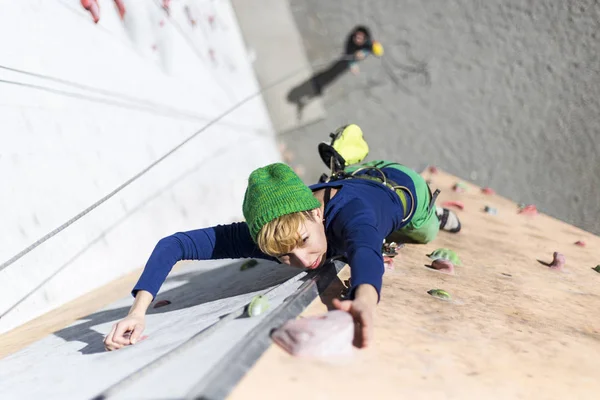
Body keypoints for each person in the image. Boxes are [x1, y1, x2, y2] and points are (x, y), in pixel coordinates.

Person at [103, 124, 460, 351]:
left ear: (317, 214)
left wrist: (366, 300)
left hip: (399, 189)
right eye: (284, 256)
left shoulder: (355, 219)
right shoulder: (275, 231)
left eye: (304, 242)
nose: (303, 261)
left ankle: (410, 195)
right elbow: (175, 244)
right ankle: (347, 164)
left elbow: (365, 252)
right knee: (345, 179)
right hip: (329, 192)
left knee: (425, 231)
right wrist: (138, 311)